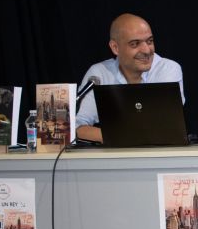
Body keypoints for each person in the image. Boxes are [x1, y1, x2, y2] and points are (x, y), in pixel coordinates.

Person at [76, 13, 186, 143]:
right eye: (135, 44)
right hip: (115, 154)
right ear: (115, 48)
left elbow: (163, 128)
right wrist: (121, 137)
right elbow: (76, 126)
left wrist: (114, 136)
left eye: (149, 41)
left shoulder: (168, 69)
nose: (146, 50)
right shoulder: (99, 74)